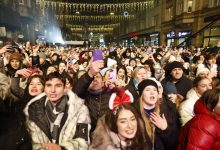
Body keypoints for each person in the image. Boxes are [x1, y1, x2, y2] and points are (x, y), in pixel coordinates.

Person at [24, 72, 91, 150]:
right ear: (44, 88)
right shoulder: (32, 110)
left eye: (58, 86)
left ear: (65, 88)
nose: (53, 90)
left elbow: (83, 142)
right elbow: (31, 143)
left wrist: (62, 148)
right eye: (49, 85)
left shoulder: (80, 110)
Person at [136, 79, 178, 150]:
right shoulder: (133, 112)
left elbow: (173, 144)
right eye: (148, 90)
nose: (152, 92)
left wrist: (165, 129)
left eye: (155, 90)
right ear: (141, 94)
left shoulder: (165, 111)